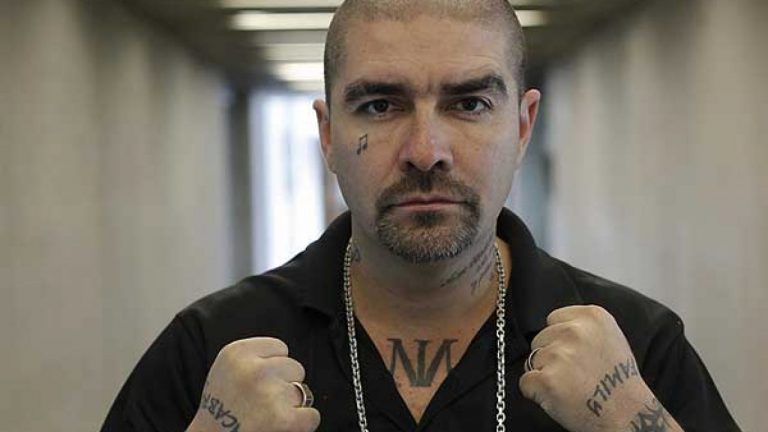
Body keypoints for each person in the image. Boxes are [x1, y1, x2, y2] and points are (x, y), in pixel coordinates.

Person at [101, 1, 740, 431]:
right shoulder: (210, 348)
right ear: (328, 135)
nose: (426, 151)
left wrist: (629, 420)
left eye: (469, 104)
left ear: (522, 127)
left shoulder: (636, 348)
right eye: (381, 106)